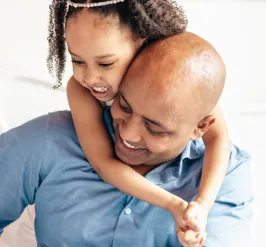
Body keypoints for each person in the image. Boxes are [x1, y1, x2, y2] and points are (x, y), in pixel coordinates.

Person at [0, 32, 252, 247]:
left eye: (154, 127)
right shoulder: (51, 139)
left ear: (201, 127)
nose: (128, 134)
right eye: (125, 106)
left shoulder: (227, 175)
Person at [50, 0, 230, 233]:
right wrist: (172, 204)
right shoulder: (81, 90)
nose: (91, 77)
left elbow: (218, 137)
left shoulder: (179, 84)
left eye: (106, 63)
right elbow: (104, 164)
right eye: (77, 60)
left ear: (142, 45)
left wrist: (203, 204)